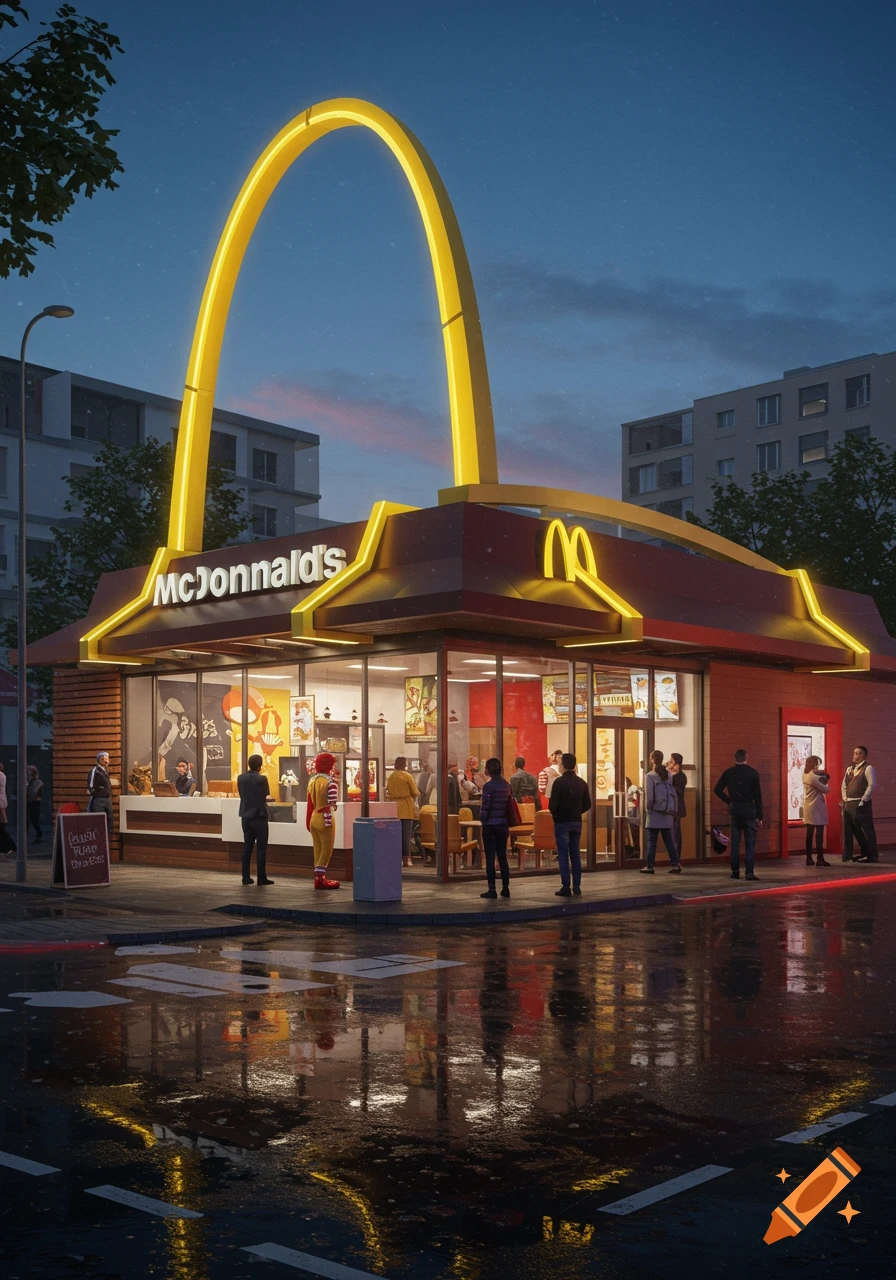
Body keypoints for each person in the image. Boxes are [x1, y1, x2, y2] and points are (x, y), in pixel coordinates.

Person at [714, 748, 763, 880]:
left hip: (735, 808)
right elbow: (758, 796)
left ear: (735, 758)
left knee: (735, 843)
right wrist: (759, 815)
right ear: (746, 758)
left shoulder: (728, 773)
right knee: (750, 843)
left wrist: (729, 801)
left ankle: (735, 871)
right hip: (749, 809)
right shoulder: (753, 773)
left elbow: (717, 790)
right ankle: (749, 872)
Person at [549, 752, 592, 896]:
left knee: (563, 854)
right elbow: (588, 804)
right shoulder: (581, 783)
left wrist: (556, 814)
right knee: (575, 853)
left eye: (560, 763)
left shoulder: (558, 782)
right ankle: (577, 886)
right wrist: (577, 811)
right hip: (576, 822)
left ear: (563, 765)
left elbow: (552, 805)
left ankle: (566, 886)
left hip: (562, 821)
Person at [640, 750, 681, 874]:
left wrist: (647, 809)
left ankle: (650, 866)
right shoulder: (668, 775)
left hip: (655, 812)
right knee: (669, 840)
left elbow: (650, 796)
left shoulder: (650, 776)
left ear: (652, 760)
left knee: (652, 840)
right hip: (667, 812)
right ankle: (675, 865)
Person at [237, 753, 274, 885]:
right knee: (261, 848)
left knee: (247, 846)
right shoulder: (262, 779)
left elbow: (243, 795)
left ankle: (245, 877)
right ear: (260, 765)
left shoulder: (240, 778)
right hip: (259, 815)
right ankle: (261, 877)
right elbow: (266, 796)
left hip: (246, 815)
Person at [478, 757, 512, 899]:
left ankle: (492, 889)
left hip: (490, 826)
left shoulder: (488, 787)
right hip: (503, 825)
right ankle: (505, 888)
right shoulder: (506, 785)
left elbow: (485, 807)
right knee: (502, 857)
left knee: (490, 858)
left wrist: (483, 820)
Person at [307, 752, 340, 889]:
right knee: (326, 850)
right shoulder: (330, 782)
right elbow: (333, 802)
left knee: (317, 848)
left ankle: (317, 877)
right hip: (325, 816)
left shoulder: (312, 780)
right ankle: (321, 879)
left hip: (314, 817)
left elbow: (310, 802)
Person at [841, 745, 878, 863]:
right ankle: (850, 854)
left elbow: (872, 785)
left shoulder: (868, 768)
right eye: (854, 753)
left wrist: (863, 800)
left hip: (861, 803)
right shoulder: (849, 769)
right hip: (849, 803)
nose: (855, 756)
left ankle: (872, 855)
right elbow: (844, 785)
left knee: (867, 829)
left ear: (864, 756)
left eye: (858, 753)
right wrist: (845, 798)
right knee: (852, 830)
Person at [386, 756, 419, 867]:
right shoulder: (407, 776)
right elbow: (415, 792)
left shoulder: (391, 777)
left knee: (395, 835)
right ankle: (406, 859)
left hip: (394, 808)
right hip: (406, 806)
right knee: (406, 835)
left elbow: (388, 791)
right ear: (404, 765)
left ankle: (395, 857)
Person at [801, 755, 830, 866]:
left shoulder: (805, 775)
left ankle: (809, 858)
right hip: (817, 807)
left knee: (809, 834)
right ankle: (820, 858)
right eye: (818, 764)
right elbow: (826, 789)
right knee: (819, 834)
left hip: (808, 807)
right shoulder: (813, 777)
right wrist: (826, 779)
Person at [87, 750, 114, 840]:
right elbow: (91, 786)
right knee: (99, 820)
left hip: (107, 799)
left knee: (109, 819)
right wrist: (97, 791)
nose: (106, 761)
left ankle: (107, 838)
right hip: (99, 799)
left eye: (107, 759)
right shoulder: (95, 771)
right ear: (99, 760)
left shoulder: (105, 771)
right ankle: (99, 839)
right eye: (104, 759)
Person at [668, 753, 687, 859]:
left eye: (671, 760)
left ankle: (676, 858)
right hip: (672, 807)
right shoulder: (672, 775)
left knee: (676, 834)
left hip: (677, 808)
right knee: (672, 833)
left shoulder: (681, 776)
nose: (669, 762)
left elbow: (679, 792)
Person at [0, 761, 14, 858]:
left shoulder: (1, 775)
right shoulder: (3, 775)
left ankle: (10, 846)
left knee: (1, 828)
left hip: (0, 802)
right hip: (1, 802)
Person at [26, 765, 44, 841]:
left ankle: (39, 834)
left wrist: (36, 798)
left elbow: (38, 793)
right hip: (30, 801)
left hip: (35, 802)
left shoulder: (38, 782)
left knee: (34, 819)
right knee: (30, 819)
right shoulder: (30, 782)